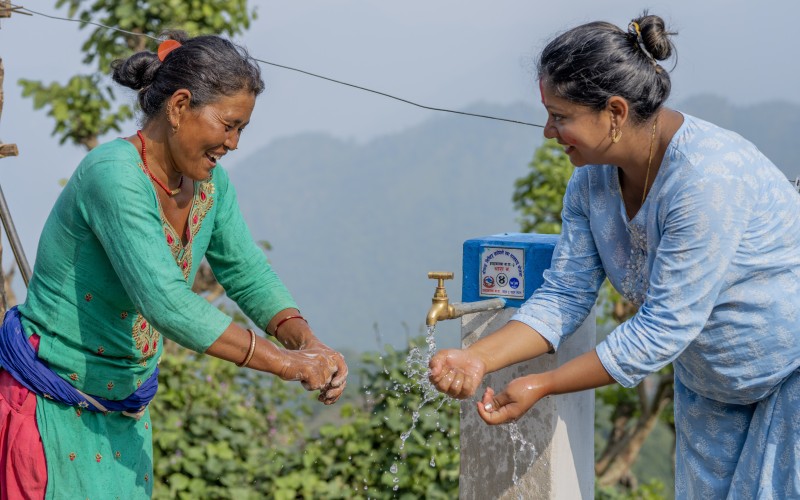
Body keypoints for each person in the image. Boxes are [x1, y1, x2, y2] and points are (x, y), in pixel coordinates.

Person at [429, 12, 800, 499]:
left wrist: (546, 383)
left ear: (616, 112)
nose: (547, 131)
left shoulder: (706, 181)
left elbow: (662, 327)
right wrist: (477, 358)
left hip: (788, 377)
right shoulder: (591, 183)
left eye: (561, 116)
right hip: (711, 388)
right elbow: (563, 293)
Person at [0, 32, 348, 498]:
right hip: (51, 409)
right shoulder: (114, 175)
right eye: (228, 125)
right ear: (180, 106)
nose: (234, 142)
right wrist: (288, 364)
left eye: (242, 129)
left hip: (123, 413)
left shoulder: (210, 186)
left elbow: (246, 272)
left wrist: (309, 342)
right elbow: (168, 305)